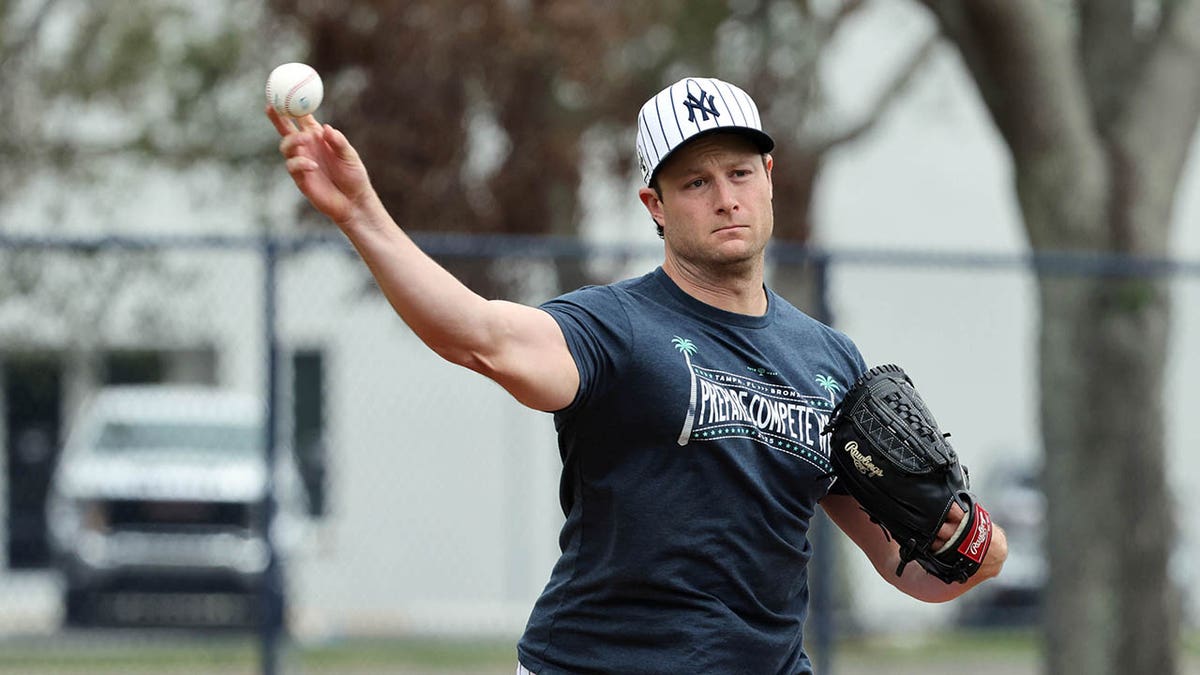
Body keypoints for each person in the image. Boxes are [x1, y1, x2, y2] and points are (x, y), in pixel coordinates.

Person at [268, 75, 1007, 674]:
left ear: (769, 177)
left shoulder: (831, 362)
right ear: (653, 204)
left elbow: (905, 567)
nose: (725, 197)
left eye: (740, 172)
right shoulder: (615, 328)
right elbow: (481, 338)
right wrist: (361, 213)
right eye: (694, 182)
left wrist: (973, 540)